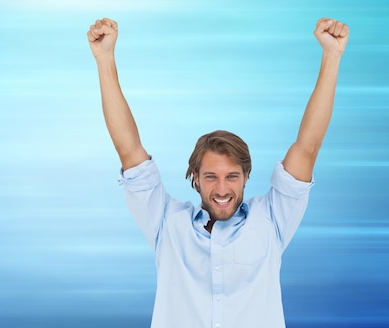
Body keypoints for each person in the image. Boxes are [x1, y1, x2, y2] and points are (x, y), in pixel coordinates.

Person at [87, 17, 349, 328]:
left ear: (246, 177)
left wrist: (332, 56)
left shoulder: (272, 220)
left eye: (232, 177)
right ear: (195, 178)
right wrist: (105, 59)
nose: (222, 189)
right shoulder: (167, 223)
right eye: (211, 177)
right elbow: (128, 149)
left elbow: (308, 147)